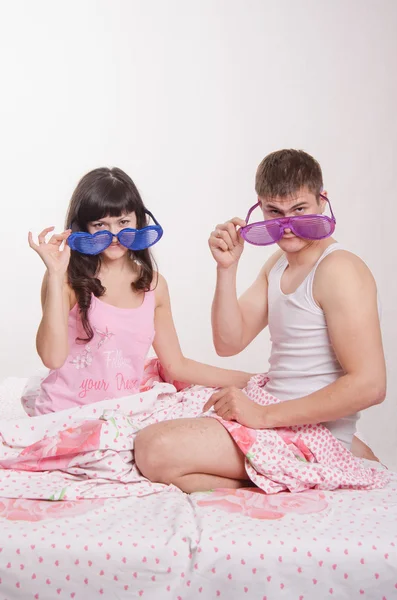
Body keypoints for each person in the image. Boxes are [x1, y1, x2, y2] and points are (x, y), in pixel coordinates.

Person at [134, 149, 386, 492]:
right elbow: (228, 342)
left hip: (307, 431)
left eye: (299, 210)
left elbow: (370, 385)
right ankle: (286, 476)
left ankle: (329, 463)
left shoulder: (339, 270)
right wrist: (227, 268)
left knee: (154, 449)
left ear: (323, 201)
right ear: (260, 207)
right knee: (146, 433)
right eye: (274, 212)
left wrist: (263, 417)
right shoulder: (279, 263)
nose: (287, 224)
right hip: (271, 410)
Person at [26, 167, 251, 415]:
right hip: (64, 416)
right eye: (100, 224)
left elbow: (176, 365)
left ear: (138, 221)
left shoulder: (154, 285)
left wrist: (250, 379)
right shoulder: (66, 277)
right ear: (84, 227)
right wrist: (56, 275)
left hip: (119, 417)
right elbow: (52, 359)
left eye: (123, 222)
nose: (113, 235)